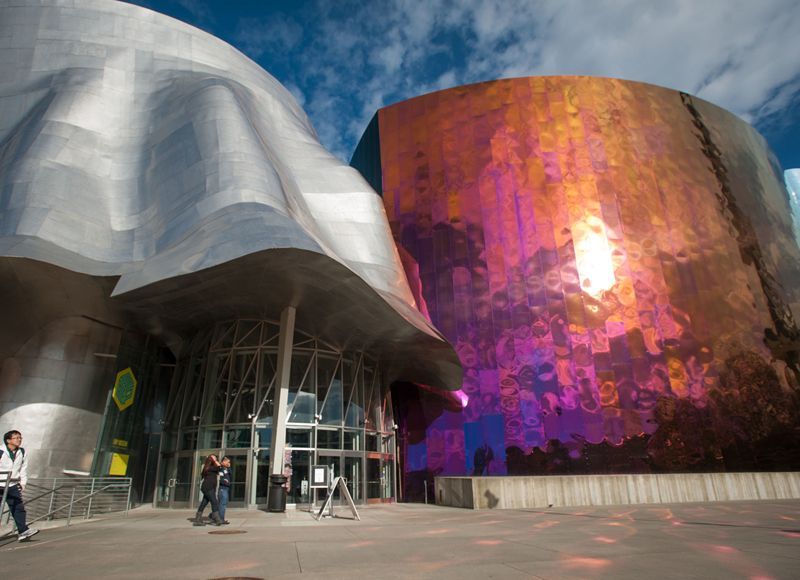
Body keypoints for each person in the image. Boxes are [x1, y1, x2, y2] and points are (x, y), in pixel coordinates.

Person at [1, 430, 39, 541]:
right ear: (8, 440)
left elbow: (23, 468)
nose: (19, 440)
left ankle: (23, 531)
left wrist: (23, 483)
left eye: (20, 437)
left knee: (18, 508)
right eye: (16, 438)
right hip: (0, 484)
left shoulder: (21, 452)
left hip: (12, 484)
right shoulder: (1, 451)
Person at [193, 454, 222, 526]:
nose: (216, 459)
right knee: (214, 502)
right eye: (214, 458)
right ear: (211, 459)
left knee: (204, 502)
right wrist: (215, 460)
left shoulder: (209, 467)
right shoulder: (210, 468)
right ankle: (216, 518)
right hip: (208, 487)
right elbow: (219, 467)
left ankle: (198, 519)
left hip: (208, 487)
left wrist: (214, 460)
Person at [218, 456, 231, 525]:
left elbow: (230, 474)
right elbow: (221, 479)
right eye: (228, 462)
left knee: (223, 504)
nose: (229, 463)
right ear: (223, 462)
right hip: (223, 489)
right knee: (222, 504)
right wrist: (225, 481)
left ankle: (215, 516)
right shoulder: (220, 469)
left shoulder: (226, 469)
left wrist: (228, 467)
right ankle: (220, 519)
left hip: (226, 488)